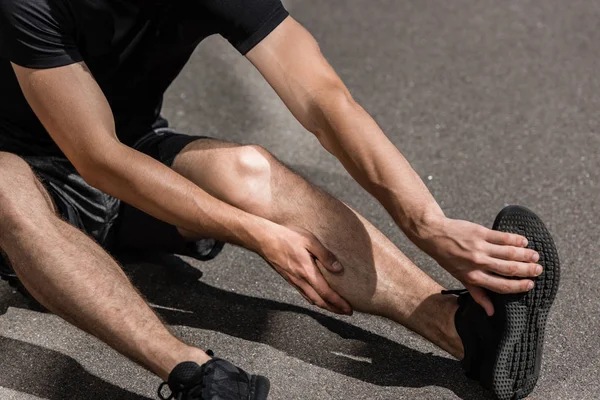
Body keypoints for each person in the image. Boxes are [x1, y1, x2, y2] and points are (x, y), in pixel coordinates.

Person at [0, 1, 560, 399]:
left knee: (247, 170)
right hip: (29, 169)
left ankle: (464, 331)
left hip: (129, 160)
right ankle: (194, 375)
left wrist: (428, 222)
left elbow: (322, 97)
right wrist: (254, 232)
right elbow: (95, 155)